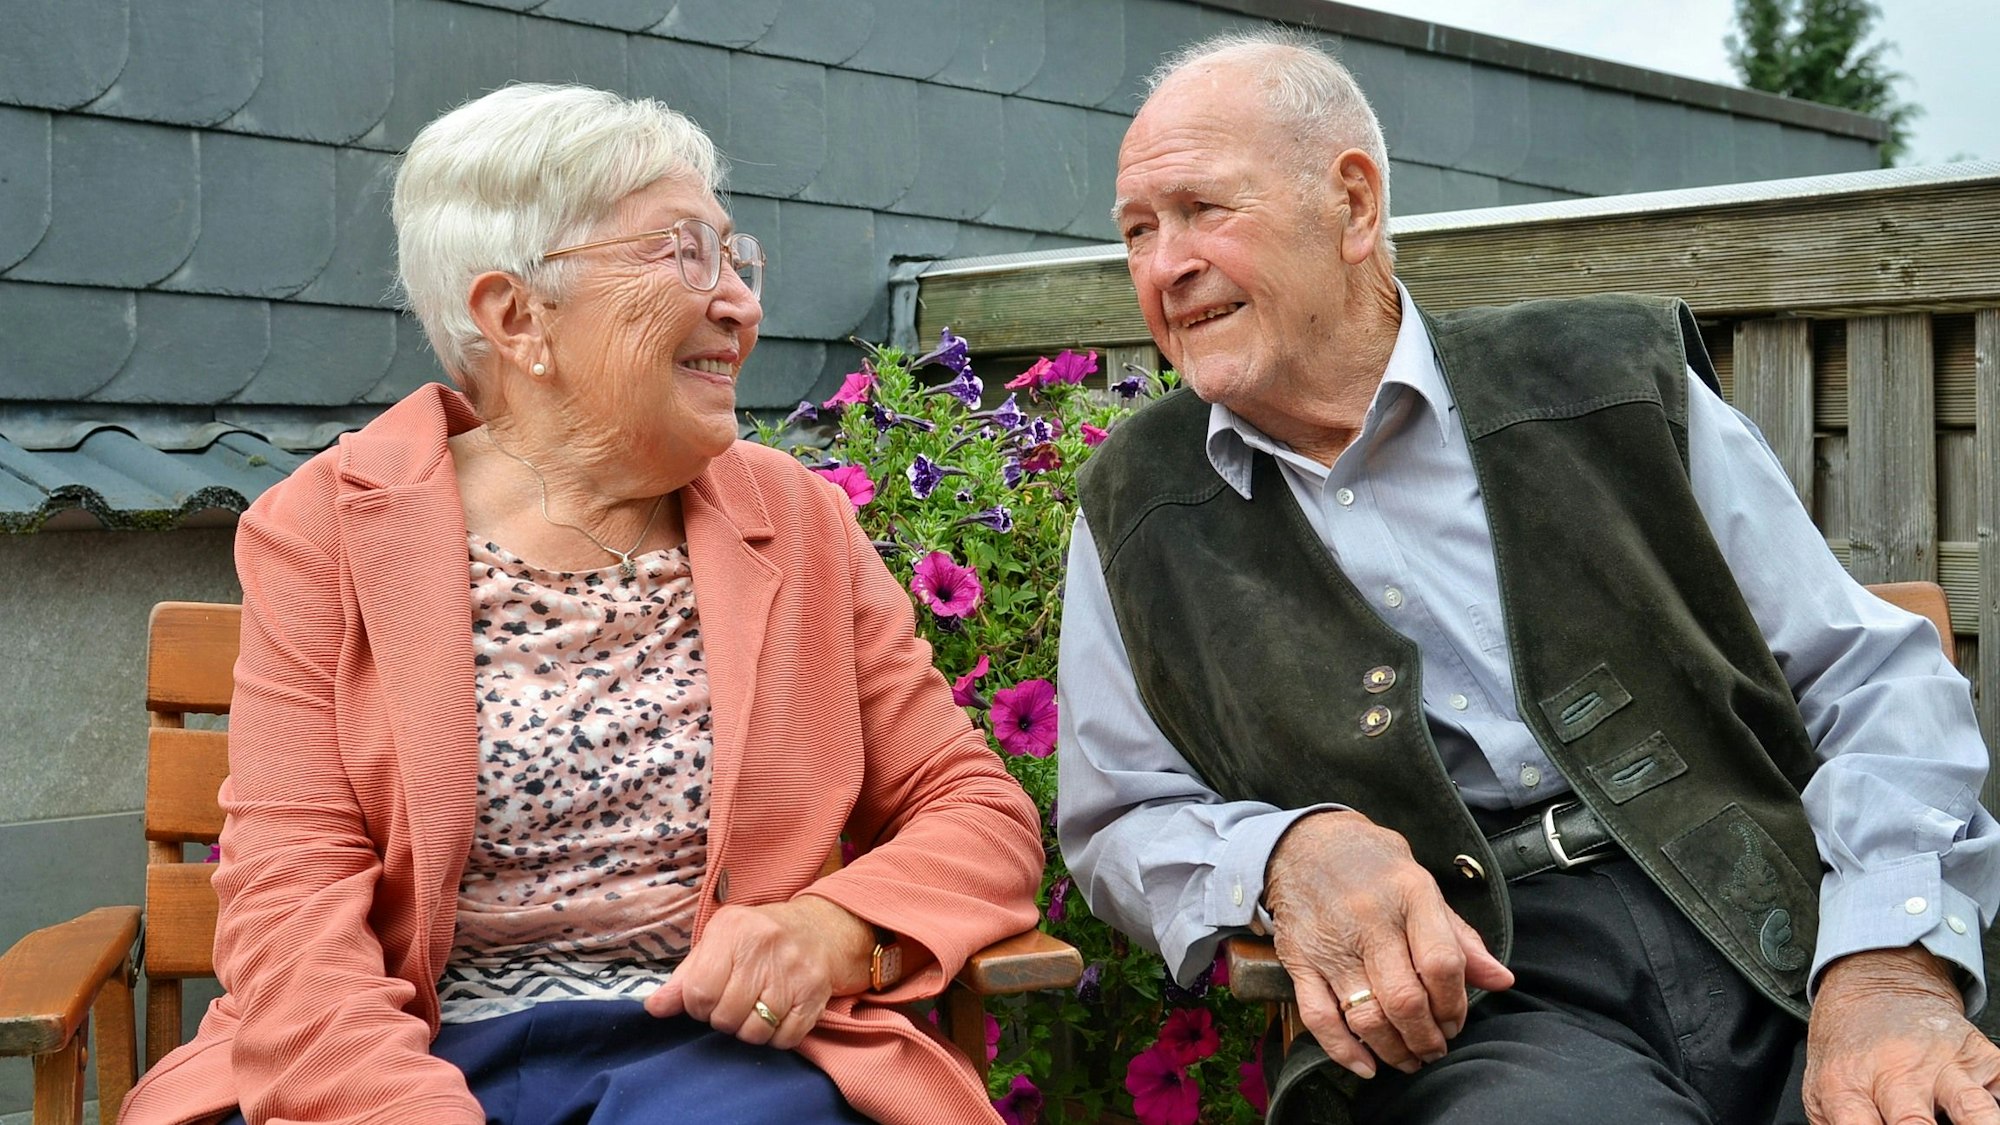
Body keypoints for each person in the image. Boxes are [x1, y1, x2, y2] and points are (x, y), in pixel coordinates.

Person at [1057, 28, 2000, 1125]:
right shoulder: (1138, 507)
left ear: (1352, 207)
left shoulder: (1607, 385)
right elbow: (1118, 815)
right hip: (1483, 998)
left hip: (1770, 890)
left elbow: (1869, 679)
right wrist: (1282, 852)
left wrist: (1887, 966)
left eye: (1202, 211)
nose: (1163, 265)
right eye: (1137, 232)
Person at [119, 83, 1043, 1125]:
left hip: (709, 1060)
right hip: (400, 1050)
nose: (738, 300)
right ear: (516, 318)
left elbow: (975, 811)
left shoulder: (796, 523)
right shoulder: (325, 531)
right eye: (682, 254)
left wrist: (834, 929)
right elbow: (292, 900)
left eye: (734, 256)